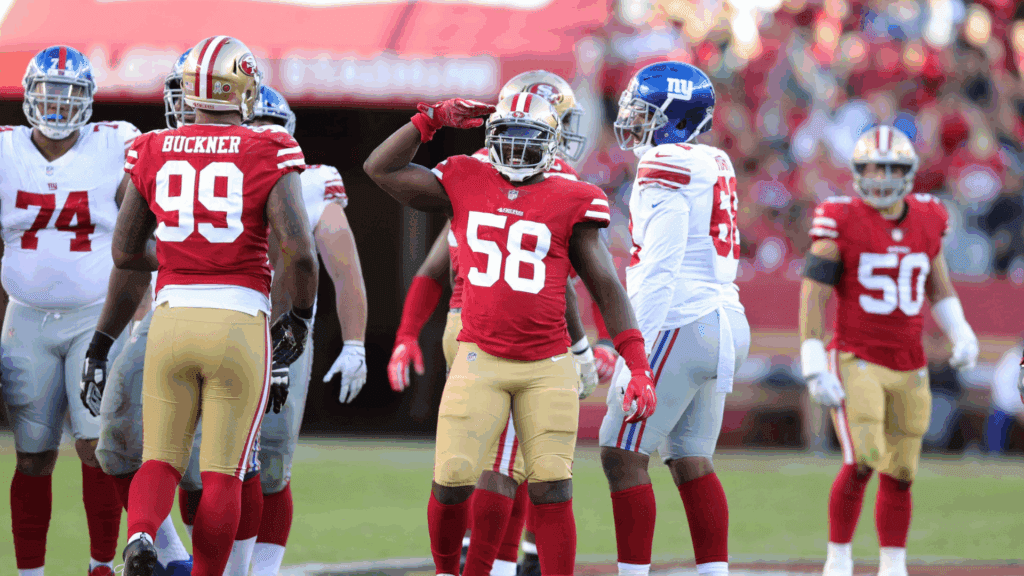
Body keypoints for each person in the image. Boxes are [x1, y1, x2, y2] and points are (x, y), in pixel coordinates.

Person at [365, 93, 657, 576]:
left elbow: (605, 285)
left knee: (551, 486)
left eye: (530, 139)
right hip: (480, 357)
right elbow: (380, 168)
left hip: (547, 365)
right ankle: (446, 570)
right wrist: (427, 121)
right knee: (452, 479)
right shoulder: (465, 176)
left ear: (552, 143)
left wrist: (637, 361)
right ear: (490, 139)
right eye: (508, 138)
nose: (518, 150)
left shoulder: (573, 195)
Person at [112, 35, 318, 576]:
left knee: (159, 460)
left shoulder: (151, 146)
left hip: (172, 318)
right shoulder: (269, 148)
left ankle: (138, 537)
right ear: (245, 90)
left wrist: (184, 256)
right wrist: (299, 316)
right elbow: (300, 249)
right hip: (238, 321)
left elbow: (125, 250)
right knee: (224, 472)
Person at [799, 125, 979, 576]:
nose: (881, 176)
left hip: (910, 361)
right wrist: (813, 361)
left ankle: (892, 565)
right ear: (858, 171)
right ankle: (838, 559)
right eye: (873, 167)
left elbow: (937, 284)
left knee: (901, 471)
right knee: (862, 458)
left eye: (892, 167)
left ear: (909, 172)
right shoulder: (839, 218)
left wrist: (960, 332)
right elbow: (814, 293)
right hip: (856, 356)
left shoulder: (928, 216)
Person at [0, 44, 150, 576]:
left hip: (96, 317)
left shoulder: (117, 143)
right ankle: (30, 572)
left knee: (97, 448)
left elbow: (146, 225)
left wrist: (139, 315)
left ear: (88, 100)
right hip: (26, 319)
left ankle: (100, 565)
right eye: (49, 94)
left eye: (70, 95)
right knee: (32, 454)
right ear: (29, 96)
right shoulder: (5, 150)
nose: (59, 106)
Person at [597, 61, 750, 576]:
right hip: (723, 317)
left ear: (673, 116)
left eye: (642, 109)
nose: (631, 118)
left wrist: (633, 355)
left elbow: (659, 270)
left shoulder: (663, 161)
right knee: (689, 458)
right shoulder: (714, 159)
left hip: (681, 318)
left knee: (620, 452)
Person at [248, 84, 369, 576]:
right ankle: (188, 557)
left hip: (282, 339)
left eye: (270, 129)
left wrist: (356, 342)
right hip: (213, 324)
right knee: (198, 464)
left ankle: (261, 569)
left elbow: (344, 267)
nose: (261, 138)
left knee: (272, 464)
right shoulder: (201, 172)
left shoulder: (312, 181)